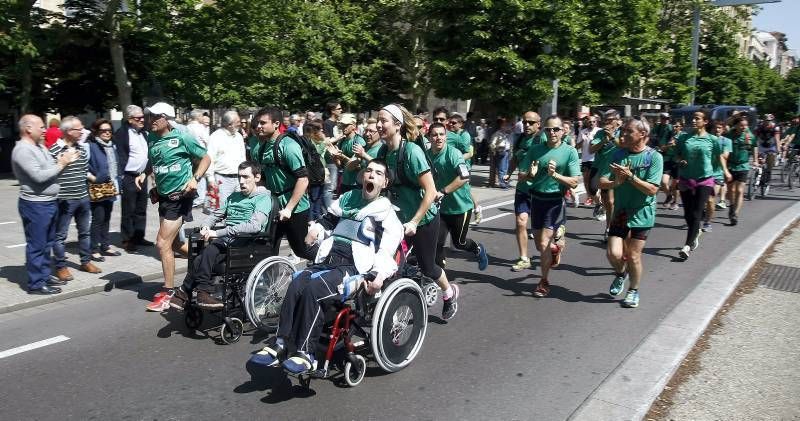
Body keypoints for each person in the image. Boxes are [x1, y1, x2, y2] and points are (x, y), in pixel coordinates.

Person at [249, 159, 402, 373]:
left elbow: (387, 249)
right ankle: (281, 343)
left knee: (315, 289)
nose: (371, 175)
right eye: (368, 171)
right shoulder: (349, 198)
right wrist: (316, 229)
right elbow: (328, 220)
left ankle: (306, 354)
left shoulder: (385, 212)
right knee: (296, 282)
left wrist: (378, 275)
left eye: (378, 173)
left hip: (354, 267)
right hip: (328, 258)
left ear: (384, 182)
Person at [379, 103, 460, 320]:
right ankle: (388, 311)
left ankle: (449, 293)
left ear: (397, 125)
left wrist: (414, 221)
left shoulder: (412, 152)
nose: (378, 125)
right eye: (377, 121)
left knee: (428, 268)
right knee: (387, 265)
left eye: (383, 121)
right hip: (397, 219)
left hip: (423, 219)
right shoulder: (383, 151)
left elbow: (431, 191)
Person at [170, 161, 273, 310]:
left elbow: (254, 226)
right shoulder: (234, 197)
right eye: (239, 177)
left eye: (246, 177)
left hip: (247, 242)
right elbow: (216, 214)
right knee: (200, 257)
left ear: (257, 177)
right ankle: (196, 293)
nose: (241, 181)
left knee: (209, 251)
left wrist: (217, 233)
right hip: (229, 240)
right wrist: (206, 226)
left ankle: (189, 291)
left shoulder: (262, 198)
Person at [144, 102, 212, 312]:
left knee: (162, 244)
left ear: (167, 118)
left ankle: (169, 292)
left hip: (180, 197)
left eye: (156, 117)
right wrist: (144, 174)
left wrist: (195, 178)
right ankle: (207, 257)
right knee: (173, 245)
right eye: (149, 116)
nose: (151, 120)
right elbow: (153, 162)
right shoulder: (152, 138)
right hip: (164, 198)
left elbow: (206, 158)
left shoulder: (182, 137)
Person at [599, 118, 663, 308]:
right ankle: (621, 273)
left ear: (642, 134)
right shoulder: (617, 155)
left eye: (627, 131)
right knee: (613, 254)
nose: (622, 135)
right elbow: (601, 181)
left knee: (634, 255)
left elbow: (652, 189)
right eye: (622, 131)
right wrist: (615, 183)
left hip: (642, 213)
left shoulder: (654, 157)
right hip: (620, 212)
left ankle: (633, 291)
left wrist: (630, 177)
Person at [13, 115, 79, 294]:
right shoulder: (23, 150)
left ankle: (43, 274)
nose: (45, 130)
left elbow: (51, 168)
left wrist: (64, 161)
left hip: (48, 202)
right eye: (41, 127)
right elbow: (39, 177)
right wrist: (62, 163)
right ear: (28, 129)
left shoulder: (39, 146)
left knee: (47, 243)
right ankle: (35, 283)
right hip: (35, 205)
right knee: (37, 244)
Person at [518, 116, 580, 298]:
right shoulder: (536, 150)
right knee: (539, 244)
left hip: (555, 201)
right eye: (548, 130)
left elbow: (575, 182)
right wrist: (530, 173)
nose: (552, 133)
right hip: (536, 199)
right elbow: (522, 174)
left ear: (563, 131)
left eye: (555, 129)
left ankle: (543, 282)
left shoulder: (569, 152)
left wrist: (556, 175)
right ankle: (556, 247)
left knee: (544, 242)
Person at [249, 107, 314, 260]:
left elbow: (303, 179)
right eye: (257, 123)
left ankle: (329, 261)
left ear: (276, 124)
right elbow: (263, 179)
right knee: (267, 249)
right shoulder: (259, 148)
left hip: (295, 207)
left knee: (301, 250)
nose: (258, 126)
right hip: (274, 206)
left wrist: (289, 209)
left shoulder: (289, 146)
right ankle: (269, 282)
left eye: (263, 123)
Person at [426, 123, 489, 271]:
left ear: (446, 137)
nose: (438, 138)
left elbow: (464, 176)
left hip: (461, 207)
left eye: (441, 134)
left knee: (459, 242)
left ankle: (478, 250)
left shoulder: (453, 154)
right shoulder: (427, 155)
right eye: (434, 135)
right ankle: (438, 273)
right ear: (429, 137)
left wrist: (444, 191)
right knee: (437, 243)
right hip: (441, 208)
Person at [49, 116, 103, 281]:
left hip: (83, 197)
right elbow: (50, 173)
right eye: (79, 129)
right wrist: (63, 163)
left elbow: (83, 171)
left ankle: (85, 261)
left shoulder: (82, 148)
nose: (82, 131)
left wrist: (94, 179)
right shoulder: (54, 149)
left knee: (85, 232)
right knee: (60, 235)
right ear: (68, 131)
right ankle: (61, 266)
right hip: (64, 199)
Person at [674, 109, 728, 259]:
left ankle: (687, 246)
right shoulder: (684, 138)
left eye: (697, 118)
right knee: (688, 214)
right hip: (686, 179)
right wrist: (680, 161)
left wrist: (722, 172)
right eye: (693, 118)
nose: (693, 121)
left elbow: (717, 157)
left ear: (705, 122)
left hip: (704, 180)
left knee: (697, 213)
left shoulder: (712, 140)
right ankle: (695, 232)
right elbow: (677, 155)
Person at [506, 111, 546, 271]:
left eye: (531, 122)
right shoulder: (520, 138)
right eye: (524, 122)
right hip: (523, 188)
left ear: (538, 124)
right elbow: (515, 158)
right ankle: (524, 258)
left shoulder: (542, 139)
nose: (527, 125)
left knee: (540, 235)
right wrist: (509, 173)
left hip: (539, 190)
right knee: (521, 222)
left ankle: (554, 244)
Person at [114, 105, 152, 252]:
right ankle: (127, 239)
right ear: (130, 120)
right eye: (138, 118)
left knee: (141, 208)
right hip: (129, 176)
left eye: (143, 117)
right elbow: (120, 156)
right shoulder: (122, 133)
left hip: (142, 176)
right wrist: (122, 176)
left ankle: (139, 236)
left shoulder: (144, 133)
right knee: (129, 209)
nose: (142, 120)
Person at [87, 119, 122, 262]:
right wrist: (94, 178)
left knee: (107, 217)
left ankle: (105, 245)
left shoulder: (111, 146)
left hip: (111, 186)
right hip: (97, 187)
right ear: (96, 131)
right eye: (103, 130)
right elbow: (82, 167)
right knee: (98, 218)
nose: (107, 133)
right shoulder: (90, 146)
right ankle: (94, 249)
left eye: (109, 130)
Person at [590, 109, 623, 240]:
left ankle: (609, 228)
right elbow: (591, 149)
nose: (607, 123)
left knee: (610, 201)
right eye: (605, 120)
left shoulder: (622, 132)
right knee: (594, 192)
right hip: (600, 168)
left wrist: (613, 137)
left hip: (614, 169)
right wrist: (604, 140)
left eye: (610, 120)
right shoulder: (599, 133)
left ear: (617, 121)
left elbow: (624, 146)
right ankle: (603, 208)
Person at [207, 110, 246, 207]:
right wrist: (211, 179)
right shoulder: (215, 137)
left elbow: (243, 157)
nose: (240, 124)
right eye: (237, 122)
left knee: (239, 207)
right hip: (222, 179)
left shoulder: (239, 136)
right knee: (220, 209)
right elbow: (209, 159)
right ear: (229, 125)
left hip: (238, 178)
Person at [725, 116, 756, 225]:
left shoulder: (749, 135)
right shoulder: (729, 135)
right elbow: (726, 124)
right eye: (741, 125)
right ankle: (732, 206)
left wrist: (756, 160)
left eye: (746, 125)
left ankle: (735, 214)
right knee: (731, 191)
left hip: (743, 166)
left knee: (740, 190)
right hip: (731, 166)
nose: (744, 127)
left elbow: (755, 146)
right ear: (736, 125)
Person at [703, 120, 732, 232]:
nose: (717, 130)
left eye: (720, 128)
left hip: (717, 174)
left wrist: (716, 150)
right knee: (703, 200)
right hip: (703, 173)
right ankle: (704, 214)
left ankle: (707, 222)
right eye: (716, 128)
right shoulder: (706, 139)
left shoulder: (726, 141)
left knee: (710, 199)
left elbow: (725, 156)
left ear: (723, 129)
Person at [331, 113, 366, 194]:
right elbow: (340, 166)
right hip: (344, 182)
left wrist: (342, 156)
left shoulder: (359, 141)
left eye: (346, 125)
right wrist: (335, 157)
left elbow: (358, 166)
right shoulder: (342, 141)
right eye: (342, 125)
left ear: (353, 126)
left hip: (356, 183)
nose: (343, 128)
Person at [305, 119, 329, 220]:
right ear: (315, 132)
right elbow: (317, 151)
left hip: (320, 173)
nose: (322, 132)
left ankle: (317, 217)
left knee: (318, 197)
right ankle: (312, 219)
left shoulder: (314, 141)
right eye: (320, 130)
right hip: (315, 174)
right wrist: (324, 142)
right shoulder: (309, 142)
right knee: (314, 198)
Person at [186, 110, 210, 209]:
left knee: (190, 175)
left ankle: (191, 196)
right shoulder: (200, 128)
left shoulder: (186, 128)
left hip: (189, 155)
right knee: (201, 176)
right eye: (201, 116)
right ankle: (200, 199)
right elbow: (207, 141)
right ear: (198, 117)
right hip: (200, 155)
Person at [577, 114, 600, 206]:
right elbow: (577, 146)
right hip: (585, 159)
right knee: (586, 180)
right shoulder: (583, 131)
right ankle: (589, 197)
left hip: (595, 159)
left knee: (593, 181)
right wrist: (582, 140)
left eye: (593, 121)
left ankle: (596, 196)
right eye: (590, 122)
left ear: (596, 122)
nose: (591, 123)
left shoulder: (599, 131)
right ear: (587, 122)